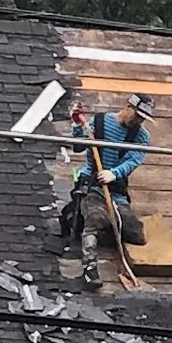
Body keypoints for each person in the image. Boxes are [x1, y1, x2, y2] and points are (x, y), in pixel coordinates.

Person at [64, 94, 152, 288]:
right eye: (136, 115)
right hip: (93, 185)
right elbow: (78, 146)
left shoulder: (142, 137)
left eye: (142, 118)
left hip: (116, 190)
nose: (138, 121)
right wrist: (77, 125)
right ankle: (89, 268)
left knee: (136, 233)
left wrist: (114, 173)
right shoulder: (101, 122)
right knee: (94, 218)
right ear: (128, 106)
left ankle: (107, 228)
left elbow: (132, 161)